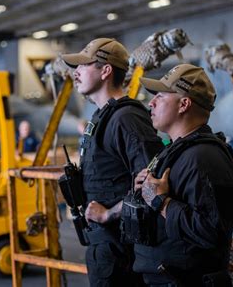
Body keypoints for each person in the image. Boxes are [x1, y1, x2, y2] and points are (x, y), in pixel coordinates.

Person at [61, 38, 163, 286]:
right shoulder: (101, 117)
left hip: (122, 251)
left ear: (105, 71)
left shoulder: (126, 118)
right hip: (106, 248)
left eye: (84, 66)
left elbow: (153, 180)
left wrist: (109, 214)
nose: (76, 73)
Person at [133, 64, 233, 286]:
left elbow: (211, 232)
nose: (151, 103)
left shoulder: (204, 156)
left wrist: (161, 203)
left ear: (184, 104)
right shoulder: (176, 151)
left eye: (160, 96)